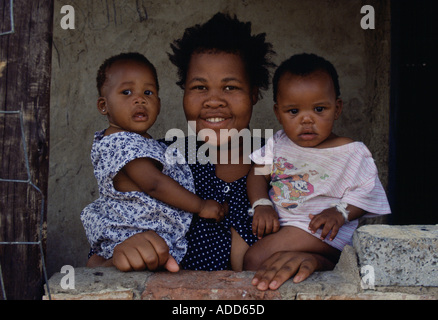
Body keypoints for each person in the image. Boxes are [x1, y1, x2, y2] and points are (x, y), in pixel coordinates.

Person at [86, 14, 347, 291]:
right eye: (199, 87)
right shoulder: (155, 161)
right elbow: (95, 260)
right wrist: (119, 255)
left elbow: (336, 243)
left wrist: (317, 262)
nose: (213, 101)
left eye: (230, 87)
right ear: (183, 93)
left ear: (254, 94)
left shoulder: (293, 164)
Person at [243, 53, 391, 270]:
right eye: (293, 111)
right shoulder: (278, 143)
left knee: (254, 259)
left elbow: (367, 191)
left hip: (323, 232)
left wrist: (340, 211)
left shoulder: (350, 151)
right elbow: (258, 173)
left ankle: (328, 263)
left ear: (337, 108)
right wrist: (261, 204)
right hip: (283, 229)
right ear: (278, 113)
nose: (306, 120)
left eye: (319, 109)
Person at [80, 52, 226, 268]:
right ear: (104, 106)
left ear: (158, 102)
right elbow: (155, 184)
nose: (140, 99)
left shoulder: (144, 142)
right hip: (136, 234)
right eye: (126, 92)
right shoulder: (123, 144)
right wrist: (201, 206)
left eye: (148, 92)